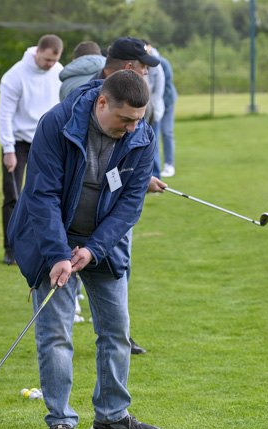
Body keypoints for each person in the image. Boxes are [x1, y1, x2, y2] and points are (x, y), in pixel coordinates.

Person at [7, 70, 160, 429]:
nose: (130, 128)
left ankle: (111, 416)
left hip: (103, 243)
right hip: (51, 237)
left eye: (137, 120)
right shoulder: (56, 124)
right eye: (124, 119)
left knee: (116, 330)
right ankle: (60, 421)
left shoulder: (142, 135)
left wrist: (93, 249)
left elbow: (129, 206)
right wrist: (58, 253)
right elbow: (41, 195)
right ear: (102, 103)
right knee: (56, 332)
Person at [93, 36, 168, 355]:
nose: (147, 75)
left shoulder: (135, 104)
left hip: (118, 204)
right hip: (82, 214)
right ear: (127, 67)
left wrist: (141, 177)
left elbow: (131, 150)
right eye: (144, 69)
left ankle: (120, 335)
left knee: (119, 265)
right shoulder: (88, 98)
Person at [0, 34, 64, 266]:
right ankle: (10, 248)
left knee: (49, 194)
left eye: (54, 61)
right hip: (17, 143)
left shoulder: (59, 72)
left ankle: (46, 245)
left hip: (47, 141)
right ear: (37, 52)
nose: (50, 65)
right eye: (46, 60)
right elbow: (4, 114)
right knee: (13, 196)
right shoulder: (14, 76)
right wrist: (8, 149)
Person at [143, 41, 165, 178]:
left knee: (153, 145)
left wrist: (153, 110)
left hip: (154, 111)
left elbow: (159, 90)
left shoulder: (156, 65)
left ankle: (156, 176)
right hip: (144, 111)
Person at [159, 53, 178, 178]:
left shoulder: (163, 63)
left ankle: (169, 164)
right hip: (149, 105)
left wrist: (160, 108)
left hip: (166, 103)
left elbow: (167, 87)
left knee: (166, 132)